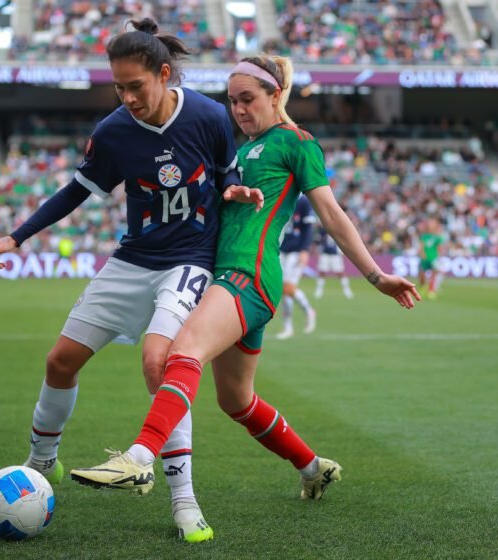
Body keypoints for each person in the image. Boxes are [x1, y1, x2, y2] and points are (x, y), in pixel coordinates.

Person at [70, 55, 420, 522]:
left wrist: (376, 276)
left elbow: (332, 216)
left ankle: (138, 459)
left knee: (184, 350)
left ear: (276, 95)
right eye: (232, 100)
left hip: (249, 277)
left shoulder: (297, 143)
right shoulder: (236, 148)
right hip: (222, 277)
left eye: (248, 99)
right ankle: (313, 467)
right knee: (235, 399)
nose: (237, 109)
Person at [0, 18, 260, 544]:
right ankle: (43, 462)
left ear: (164, 73)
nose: (127, 97)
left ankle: (184, 501)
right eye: (118, 87)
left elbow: (229, 172)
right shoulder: (112, 132)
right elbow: (74, 192)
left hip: (189, 262)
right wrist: (17, 237)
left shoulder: (206, 114)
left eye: (136, 86)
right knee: (59, 361)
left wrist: (237, 191)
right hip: (133, 260)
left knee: (160, 363)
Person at [276, 194, 317, 339]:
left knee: (287, 288)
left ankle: (290, 325)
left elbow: (308, 229)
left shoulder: (303, 201)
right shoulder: (283, 197)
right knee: (283, 288)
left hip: (296, 251)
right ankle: (307, 312)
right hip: (281, 249)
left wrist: (305, 250)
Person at [314, 226, 354, 299]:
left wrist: (341, 250)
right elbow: (317, 241)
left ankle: (346, 290)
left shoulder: (337, 228)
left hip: (335, 254)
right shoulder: (323, 230)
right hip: (325, 254)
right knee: (322, 272)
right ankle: (319, 290)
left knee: (340, 272)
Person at [418, 218, 444, 299]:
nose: (430, 226)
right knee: (421, 274)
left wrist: (438, 257)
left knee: (434, 274)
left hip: (433, 258)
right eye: (429, 224)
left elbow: (439, 248)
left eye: (432, 224)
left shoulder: (437, 237)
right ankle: (422, 288)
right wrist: (422, 254)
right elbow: (421, 246)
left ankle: (431, 291)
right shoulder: (424, 236)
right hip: (425, 258)